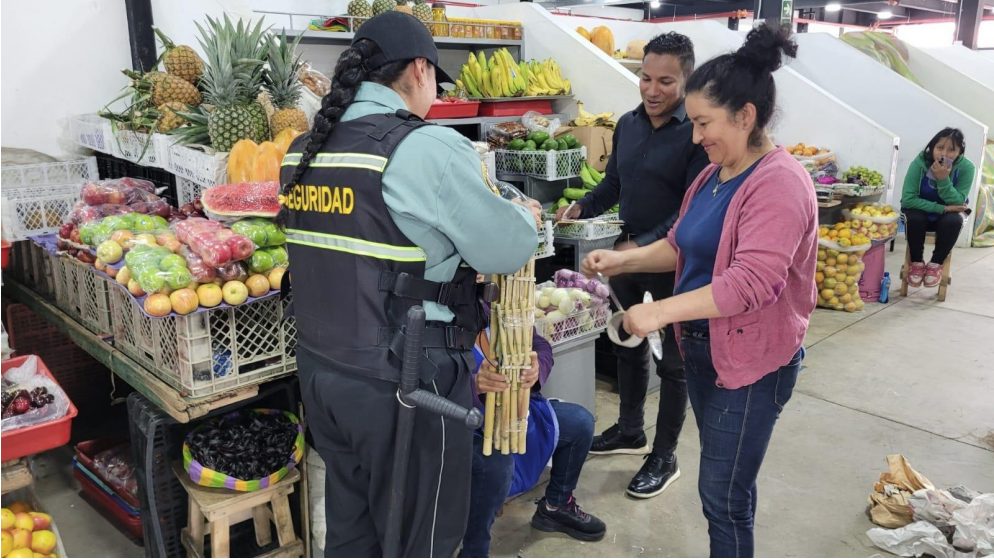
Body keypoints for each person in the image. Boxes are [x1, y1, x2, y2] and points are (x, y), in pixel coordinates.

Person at [278, 12, 542, 558]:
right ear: (420, 69)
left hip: (323, 376)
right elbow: (506, 247)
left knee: (351, 535)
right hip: (406, 384)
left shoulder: (300, 151)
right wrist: (527, 217)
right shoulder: (424, 146)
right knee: (422, 540)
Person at [582, 24, 817, 558]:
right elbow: (681, 242)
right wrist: (625, 258)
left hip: (752, 365)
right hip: (707, 350)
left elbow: (751, 284)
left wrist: (659, 311)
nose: (695, 137)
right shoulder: (714, 173)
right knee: (725, 479)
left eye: (704, 123)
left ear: (746, 116)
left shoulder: (778, 182)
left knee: (722, 495)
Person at [555, 32, 710, 500]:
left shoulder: (697, 135)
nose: (652, 89)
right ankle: (629, 429)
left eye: (666, 81)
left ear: (687, 80)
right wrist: (583, 205)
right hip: (629, 254)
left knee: (676, 366)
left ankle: (664, 456)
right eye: (645, 77)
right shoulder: (627, 124)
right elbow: (614, 184)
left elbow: (687, 211)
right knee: (626, 340)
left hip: (674, 260)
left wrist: (634, 247)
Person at [459, 303, 606, 558]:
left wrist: (537, 369)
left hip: (520, 411)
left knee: (580, 423)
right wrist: (473, 386)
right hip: (465, 426)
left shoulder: (498, 306)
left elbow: (540, 346)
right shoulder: (440, 315)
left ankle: (555, 506)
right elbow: (426, 384)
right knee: (496, 466)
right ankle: (474, 550)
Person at [900, 127, 976, 288]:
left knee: (953, 221)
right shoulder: (920, 162)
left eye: (951, 150)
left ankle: (936, 264)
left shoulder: (967, 167)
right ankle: (916, 261)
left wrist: (943, 179)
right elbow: (908, 199)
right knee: (914, 218)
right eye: (940, 148)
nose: (944, 154)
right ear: (932, 147)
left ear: (960, 152)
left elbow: (958, 202)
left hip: (949, 215)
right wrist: (944, 208)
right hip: (920, 210)